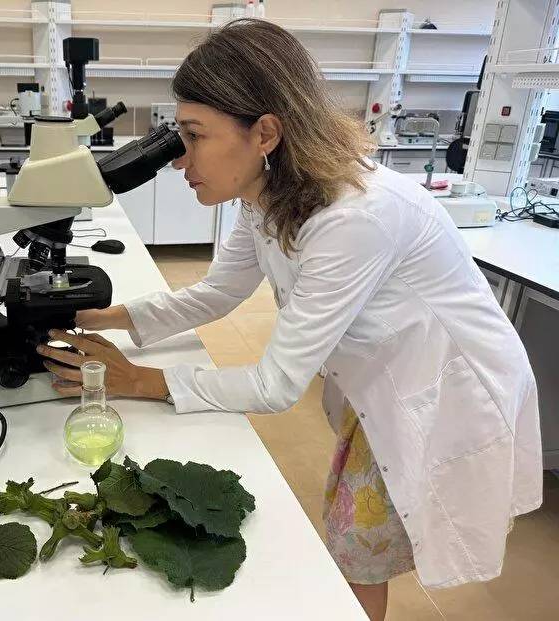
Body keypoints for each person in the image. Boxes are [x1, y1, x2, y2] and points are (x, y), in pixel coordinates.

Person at [36, 19, 542, 621]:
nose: (180, 160)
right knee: (355, 538)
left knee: (354, 549)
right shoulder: (269, 193)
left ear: (266, 133)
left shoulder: (355, 217)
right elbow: (220, 293)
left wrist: (138, 380)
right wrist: (108, 315)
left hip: (441, 392)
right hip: (382, 375)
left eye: (194, 137)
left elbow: (277, 384)